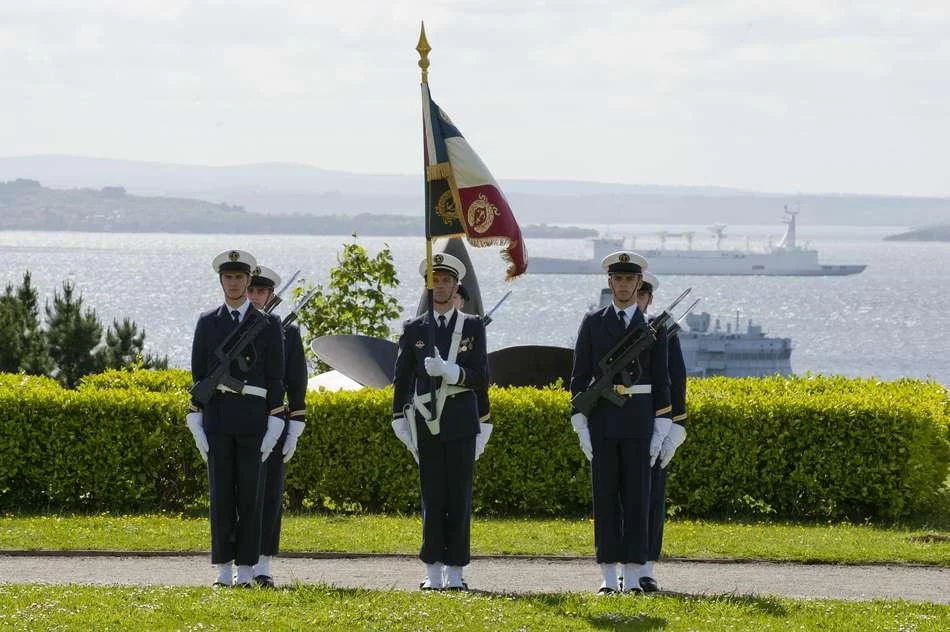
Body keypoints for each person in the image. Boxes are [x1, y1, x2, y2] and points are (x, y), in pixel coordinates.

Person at [569, 251, 671, 594]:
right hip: (604, 421)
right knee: (606, 498)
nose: (624, 285)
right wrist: (580, 421)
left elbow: (663, 382)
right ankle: (608, 577)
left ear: (639, 283)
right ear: (609, 281)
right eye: (619, 279)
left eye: (631, 280)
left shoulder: (652, 328)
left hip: (640, 422)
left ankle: (632, 576)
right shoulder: (593, 323)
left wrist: (663, 426)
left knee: (637, 500)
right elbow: (579, 376)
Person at [185, 250, 286, 587]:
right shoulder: (207, 321)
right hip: (217, 419)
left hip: (254, 421)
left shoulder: (268, 325)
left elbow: (276, 377)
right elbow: (198, 374)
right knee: (222, 497)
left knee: (251, 497)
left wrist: (276, 420)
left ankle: (247, 570)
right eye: (228, 278)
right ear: (221, 281)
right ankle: (224, 570)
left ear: (248, 281)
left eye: (239, 278)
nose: (233, 283)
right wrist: (196, 418)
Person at [390, 253, 491, 591]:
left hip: (461, 421)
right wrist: (397, 419)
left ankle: (456, 572)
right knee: (433, 498)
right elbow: (401, 379)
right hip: (427, 422)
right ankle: (433, 570)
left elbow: (481, 377)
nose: (440, 287)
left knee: (459, 497)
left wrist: (453, 372)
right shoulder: (415, 328)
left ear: (456, 285)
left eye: (446, 281)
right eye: (435, 281)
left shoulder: (473, 326)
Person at [245, 265, 308, 588]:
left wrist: (295, 425)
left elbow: (296, 382)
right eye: (251, 290)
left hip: (275, 421)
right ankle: (236, 563)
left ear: (271, 296)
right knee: (238, 494)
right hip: (238, 421)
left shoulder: (288, 333)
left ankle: (263, 565)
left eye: (261, 292)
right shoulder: (230, 327)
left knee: (269, 495)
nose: (255, 297)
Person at [636, 272, 687, 593]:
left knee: (652, 499)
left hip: (658, 424)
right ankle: (619, 568)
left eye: (643, 294)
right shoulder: (607, 328)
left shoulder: (663, 333)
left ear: (649, 299)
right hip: (619, 426)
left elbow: (675, 380)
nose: (637, 298)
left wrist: (675, 428)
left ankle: (646, 568)